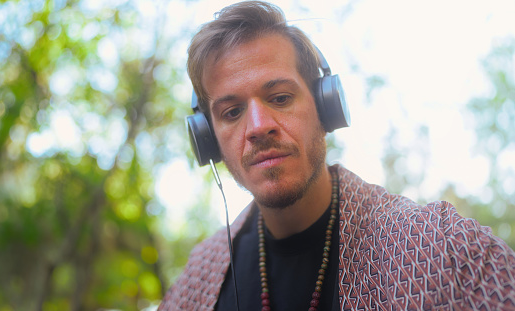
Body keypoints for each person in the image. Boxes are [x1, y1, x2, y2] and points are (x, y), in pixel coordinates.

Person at [159, 1, 515, 310]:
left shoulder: (441, 246)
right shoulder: (197, 282)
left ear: (326, 107)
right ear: (208, 141)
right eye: (232, 112)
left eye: (280, 98)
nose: (257, 126)